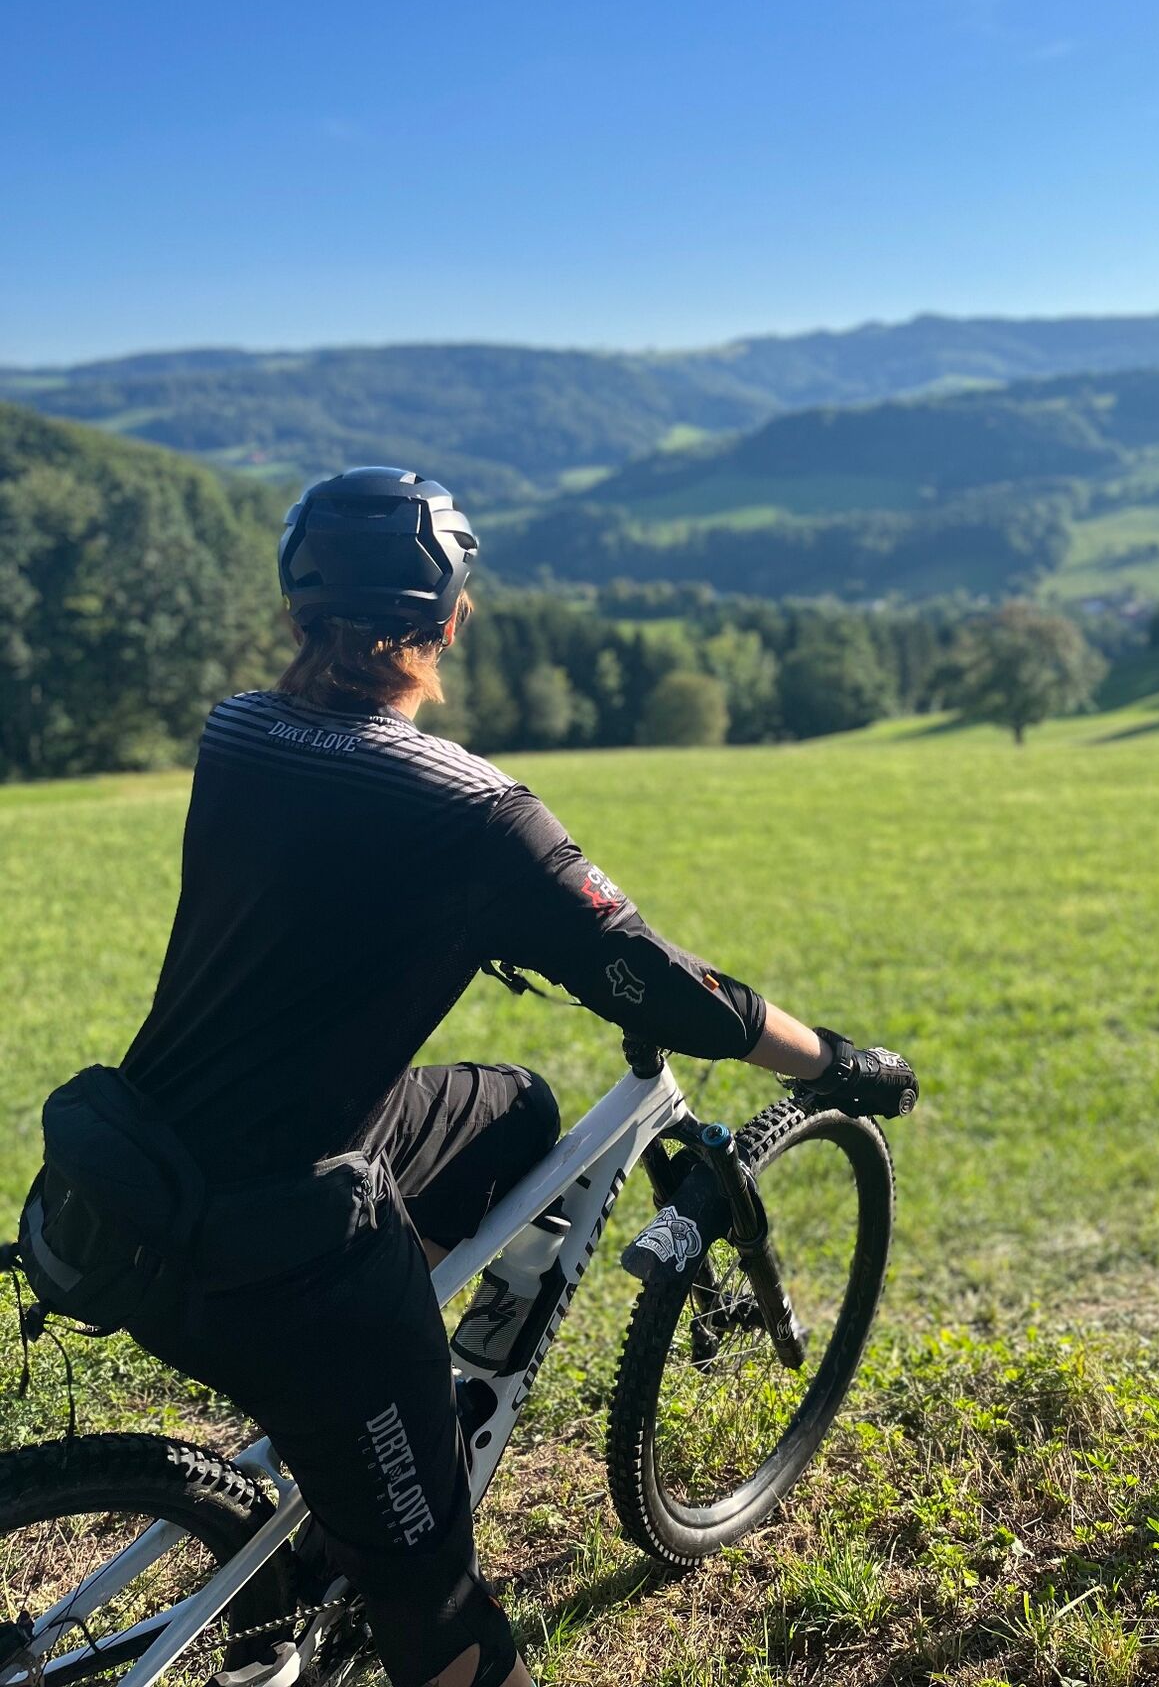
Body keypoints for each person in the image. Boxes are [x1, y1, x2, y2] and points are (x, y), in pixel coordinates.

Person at [72, 466, 917, 1687]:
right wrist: (834, 1058)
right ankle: (369, 1421)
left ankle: (377, 1409)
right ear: (450, 618)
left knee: (515, 1108)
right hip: (278, 1242)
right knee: (445, 1614)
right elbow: (670, 989)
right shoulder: (475, 812)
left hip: (134, 1169)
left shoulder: (237, 730)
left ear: (297, 608)